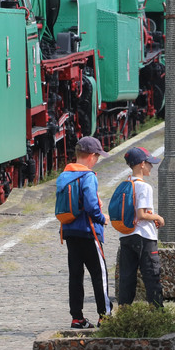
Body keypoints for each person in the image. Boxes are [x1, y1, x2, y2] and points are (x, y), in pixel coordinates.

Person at [56, 136, 112, 329]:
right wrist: (101, 217)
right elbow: (89, 204)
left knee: (76, 275)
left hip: (69, 231)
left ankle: (77, 318)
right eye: (97, 156)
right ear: (91, 156)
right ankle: (105, 316)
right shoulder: (88, 176)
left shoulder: (64, 175)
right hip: (89, 232)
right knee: (99, 273)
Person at [117, 147, 165, 308]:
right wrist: (157, 217)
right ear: (142, 164)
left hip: (126, 236)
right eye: (150, 163)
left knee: (127, 277)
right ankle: (157, 313)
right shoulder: (144, 187)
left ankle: (124, 312)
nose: (152, 167)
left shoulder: (126, 183)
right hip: (144, 236)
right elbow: (142, 214)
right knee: (152, 275)